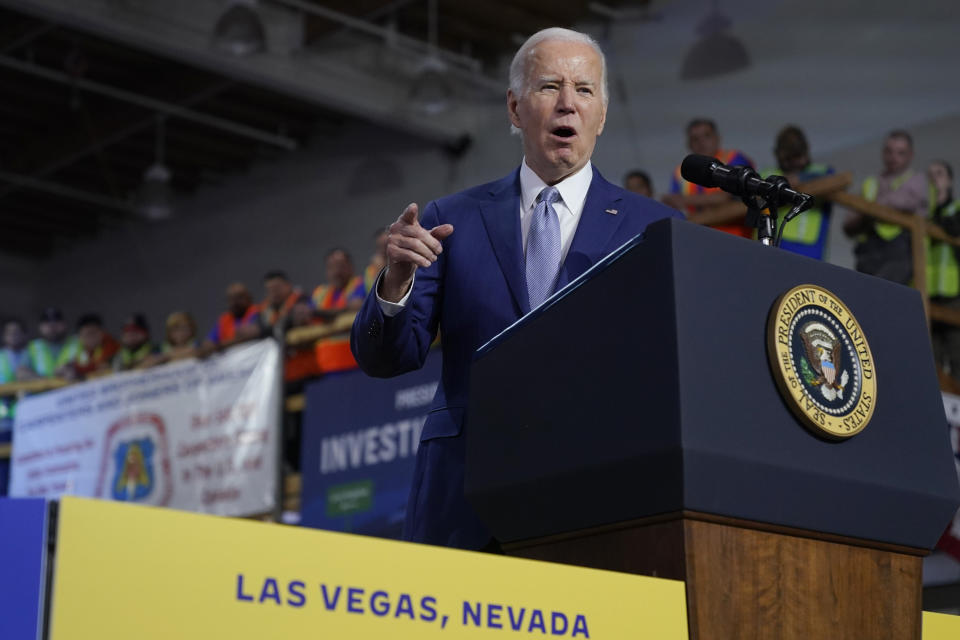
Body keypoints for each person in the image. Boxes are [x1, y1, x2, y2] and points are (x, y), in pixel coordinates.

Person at [350, 27, 681, 551]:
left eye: (585, 90)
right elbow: (386, 358)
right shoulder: (449, 220)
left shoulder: (654, 227)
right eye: (550, 87)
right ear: (514, 107)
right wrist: (395, 282)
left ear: (603, 113)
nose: (568, 105)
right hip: (465, 500)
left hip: (601, 497)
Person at [843, 130, 930, 284]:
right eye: (889, 151)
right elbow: (849, 224)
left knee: (879, 294)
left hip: (898, 257)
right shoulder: (870, 183)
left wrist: (870, 209)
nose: (893, 157)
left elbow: (906, 203)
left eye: (900, 153)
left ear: (910, 155)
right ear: (883, 153)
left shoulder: (918, 180)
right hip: (867, 255)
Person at [662, 118, 755, 237]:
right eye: (695, 139)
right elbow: (673, 204)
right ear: (688, 144)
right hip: (699, 238)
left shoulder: (734, 159)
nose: (701, 142)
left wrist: (685, 200)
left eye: (707, 136)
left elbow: (729, 197)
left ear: (717, 138)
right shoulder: (680, 171)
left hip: (735, 238)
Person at [762, 125, 835, 260]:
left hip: (811, 251)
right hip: (774, 247)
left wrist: (796, 179)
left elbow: (835, 181)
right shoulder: (767, 174)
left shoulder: (822, 172)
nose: (796, 163)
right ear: (778, 154)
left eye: (797, 155)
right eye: (790, 158)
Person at [927, 160, 960, 377]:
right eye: (930, 175)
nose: (934, 179)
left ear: (949, 180)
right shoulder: (924, 212)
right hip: (927, 290)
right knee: (932, 353)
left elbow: (953, 228)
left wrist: (938, 203)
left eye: (939, 174)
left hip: (953, 291)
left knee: (956, 349)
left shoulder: (956, 208)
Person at [201, 283, 260, 353]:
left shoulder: (257, 312)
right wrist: (210, 347)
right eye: (230, 299)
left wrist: (220, 346)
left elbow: (247, 338)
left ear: (249, 297)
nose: (234, 302)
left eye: (239, 297)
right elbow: (208, 343)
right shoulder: (224, 319)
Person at [24, 308, 80, 379]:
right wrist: (46, 381)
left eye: (57, 320)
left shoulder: (79, 342)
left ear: (65, 324)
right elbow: (21, 372)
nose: (52, 325)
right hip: (45, 389)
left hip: (75, 388)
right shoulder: (33, 346)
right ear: (40, 327)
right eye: (47, 321)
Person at [0, 318, 30, 434]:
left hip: (32, 418)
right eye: (9, 332)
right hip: (4, 420)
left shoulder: (32, 353)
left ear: (24, 335)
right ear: (3, 336)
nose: (13, 335)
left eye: (17, 332)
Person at [72, 314, 119, 379]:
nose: (91, 338)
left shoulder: (112, 346)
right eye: (87, 334)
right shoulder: (75, 351)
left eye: (94, 333)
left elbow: (101, 366)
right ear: (80, 337)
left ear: (102, 333)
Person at [258, 270, 300, 336]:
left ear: (288, 285)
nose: (274, 293)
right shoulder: (263, 311)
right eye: (270, 290)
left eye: (277, 288)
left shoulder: (301, 300)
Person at [364, 228, 389, 293]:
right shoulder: (370, 270)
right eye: (380, 247)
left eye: (386, 246)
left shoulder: (402, 266)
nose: (384, 253)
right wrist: (379, 269)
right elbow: (376, 293)